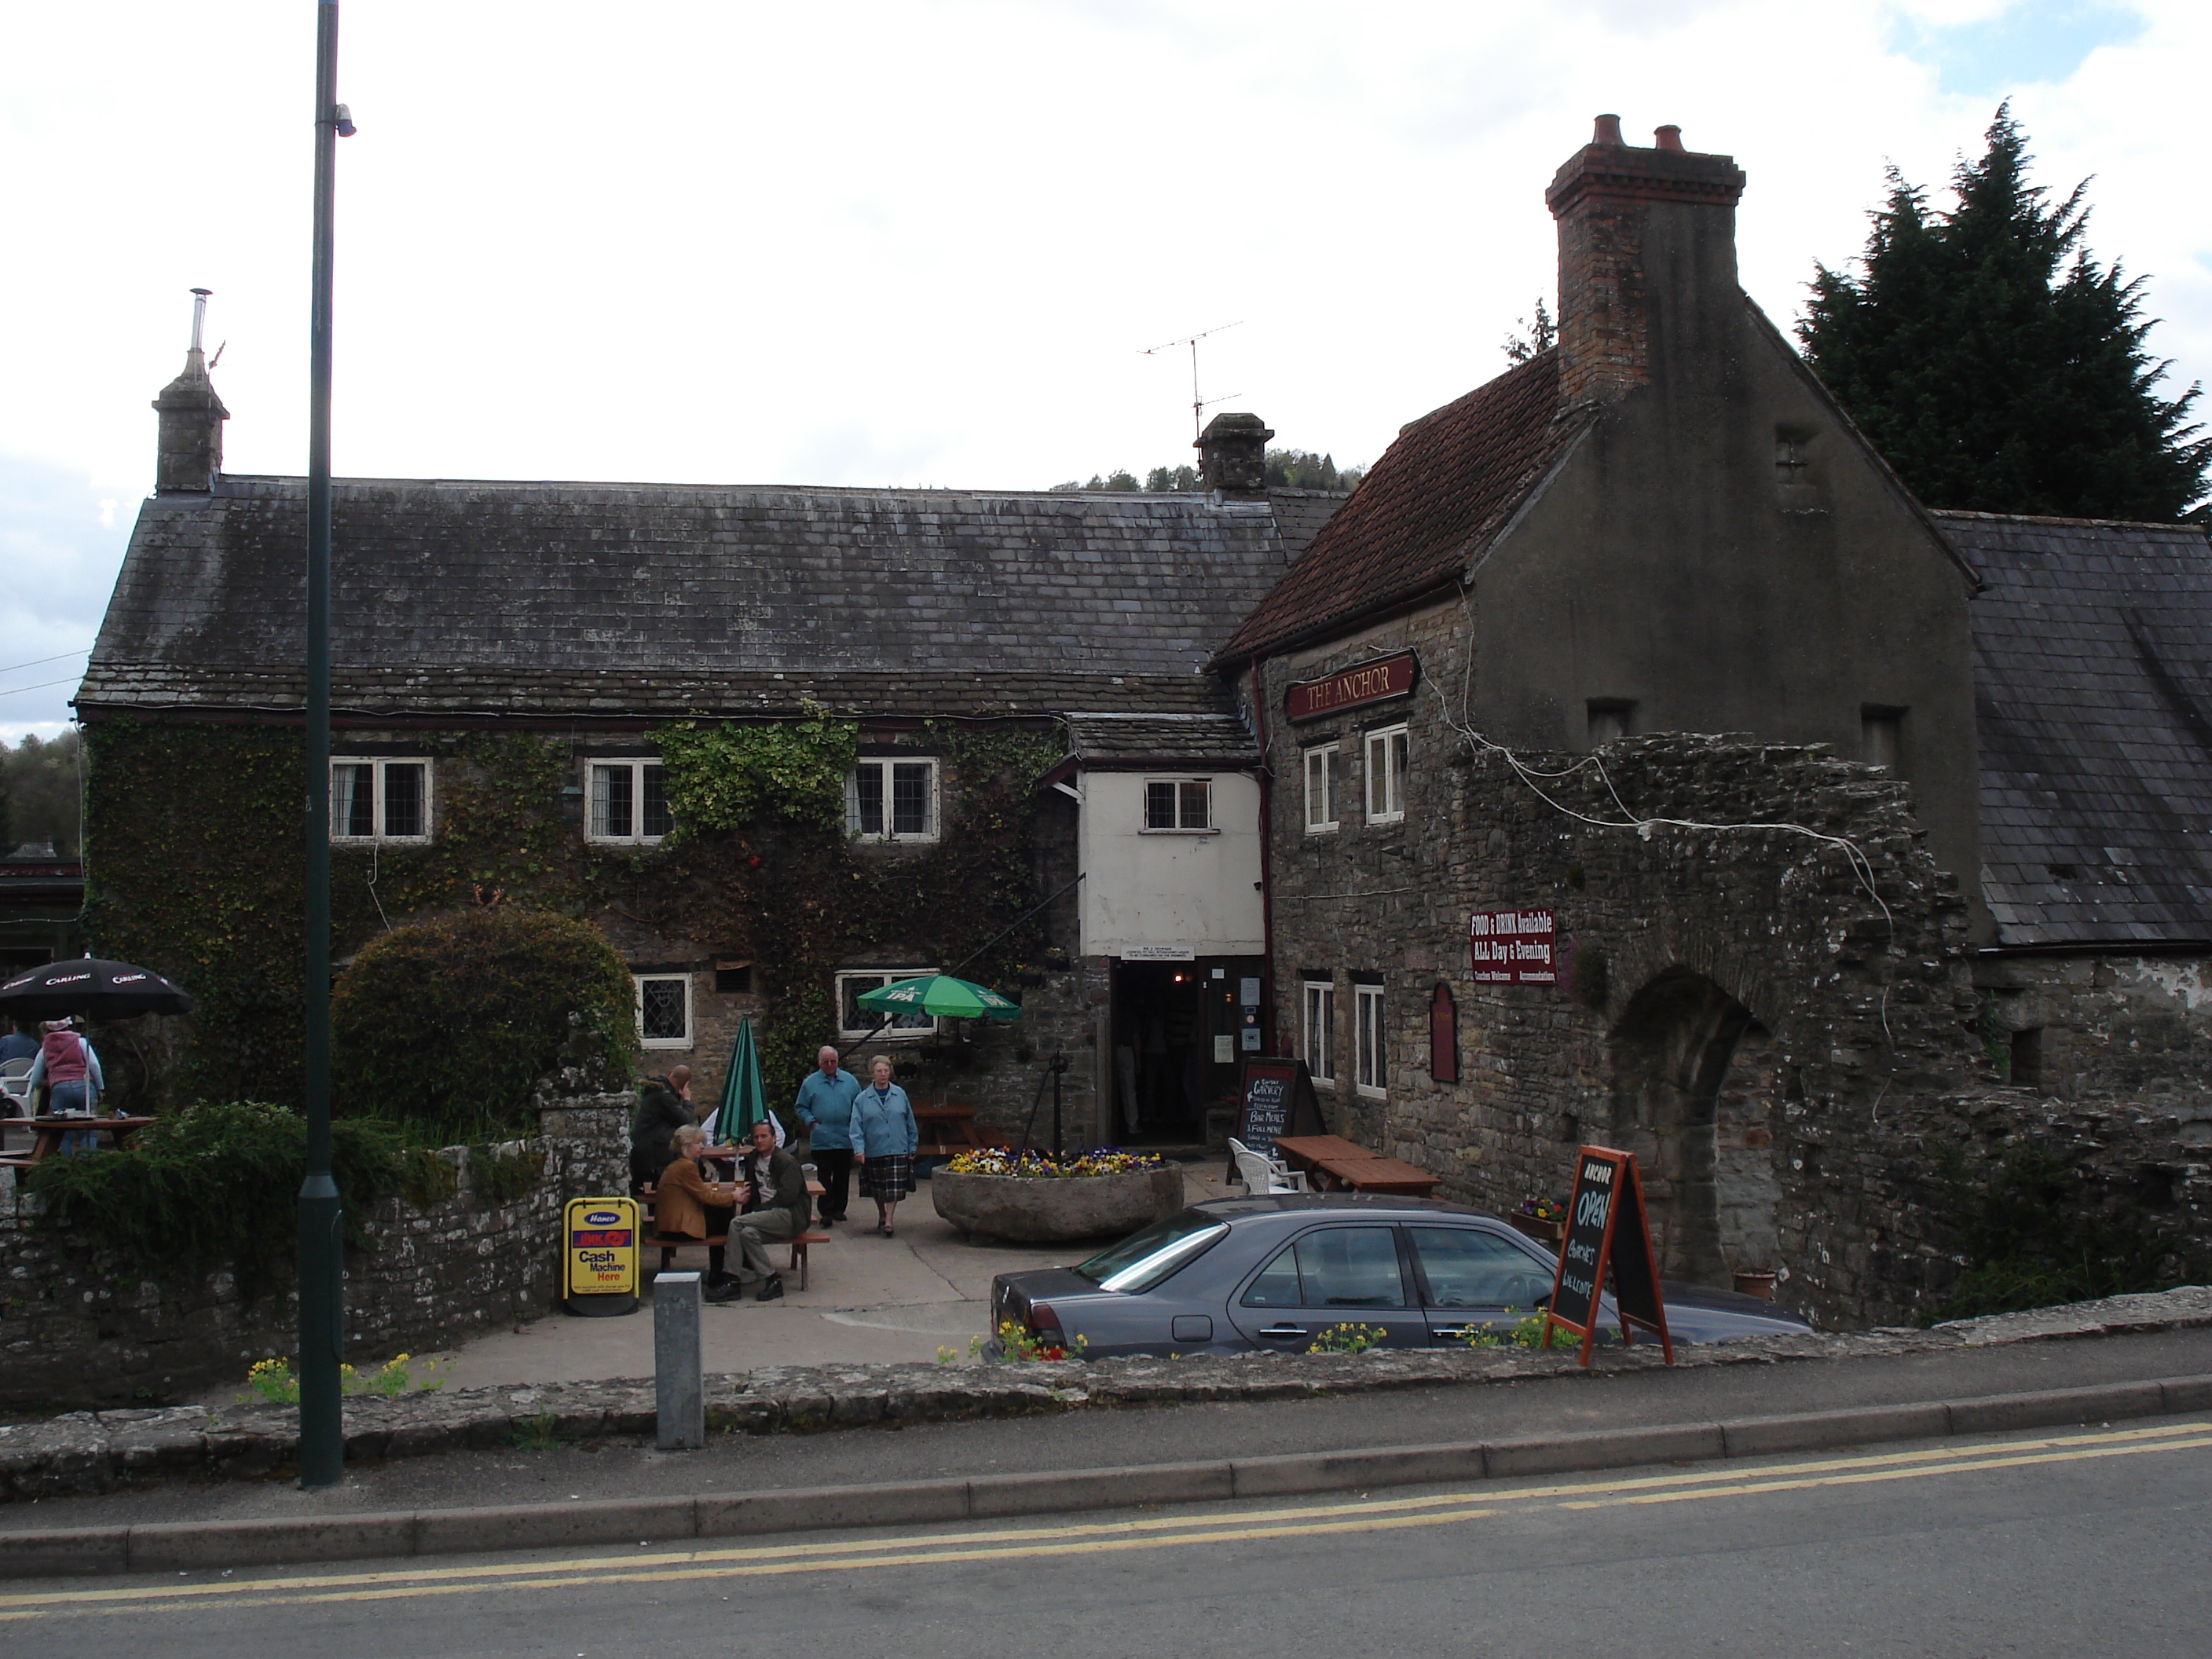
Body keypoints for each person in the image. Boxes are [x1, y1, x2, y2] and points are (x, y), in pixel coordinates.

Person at [719, 1116, 808, 1303]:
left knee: (736, 1223)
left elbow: (787, 1197)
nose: (759, 1141)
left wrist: (757, 1212)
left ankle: (731, 1280)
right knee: (747, 1234)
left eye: (764, 1136)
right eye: (756, 1137)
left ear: (774, 1138)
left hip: (790, 1215)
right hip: (766, 1216)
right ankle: (772, 1279)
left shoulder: (786, 1161)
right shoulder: (753, 1158)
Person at [652, 1123, 744, 1296]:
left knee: (722, 1216)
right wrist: (733, 1196)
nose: (702, 1147)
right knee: (729, 1222)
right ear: (687, 1146)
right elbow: (706, 1197)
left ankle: (720, 1272)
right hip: (678, 1228)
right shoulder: (686, 1167)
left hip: (669, 1225)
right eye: (698, 1143)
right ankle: (725, 1274)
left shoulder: (676, 1165)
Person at [851, 1053, 918, 1238]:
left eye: (886, 1071)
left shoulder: (900, 1094)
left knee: (893, 1188)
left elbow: (910, 1122)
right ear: (872, 1074)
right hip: (874, 1149)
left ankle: (889, 1221)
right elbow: (856, 1127)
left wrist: (913, 1145)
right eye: (879, 1071)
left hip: (897, 1147)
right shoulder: (862, 1099)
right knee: (878, 1188)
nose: (883, 1074)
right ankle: (881, 1214)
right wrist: (859, 1149)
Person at [793, 1045, 860, 1225]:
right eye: (826, 1062)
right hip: (822, 1139)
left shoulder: (850, 1081)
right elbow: (801, 1107)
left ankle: (839, 1209)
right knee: (824, 1176)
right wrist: (813, 1122)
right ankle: (826, 1211)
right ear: (819, 1063)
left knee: (842, 1176)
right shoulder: (810, 1083)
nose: (830, 1065)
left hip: (845, 1138)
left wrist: (854, 1124)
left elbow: (859, 1105)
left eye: (833, 1061)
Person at [24, 1019, 104, 1155]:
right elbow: (94, 1065)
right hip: (83, 1086)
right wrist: (100, 1088)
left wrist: (51, 1081)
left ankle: (65, 1167)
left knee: (62, 1133)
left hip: (59, 1089)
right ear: (68, 1025)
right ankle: (88, 1165)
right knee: (87, 1131)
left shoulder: (45, 1048)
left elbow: (36, 1079)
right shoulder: (81, 1042)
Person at [630, 1064, 694, 1192]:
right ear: (685, 1084)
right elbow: (685, 1121)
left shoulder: (657, 1091)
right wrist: (687, 1100)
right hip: (653, 1152)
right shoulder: (664, 1096)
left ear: (670, 1072)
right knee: (689, 1144)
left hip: (645, 1148)